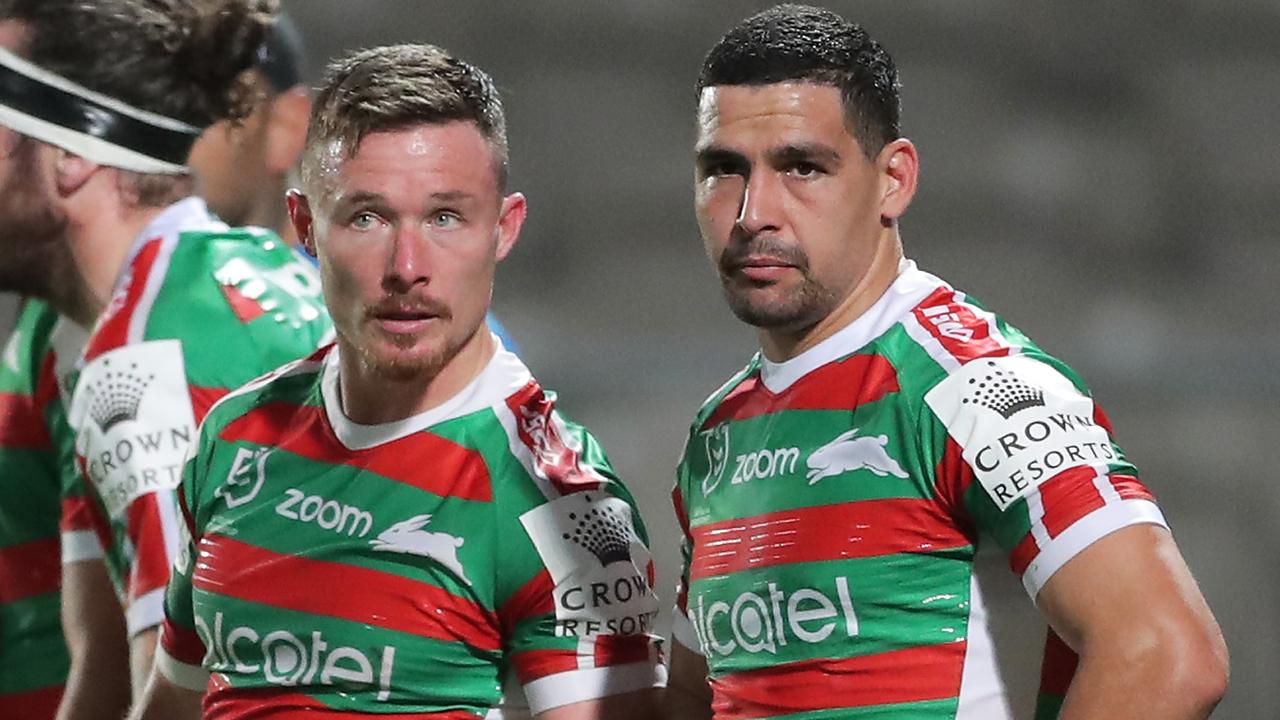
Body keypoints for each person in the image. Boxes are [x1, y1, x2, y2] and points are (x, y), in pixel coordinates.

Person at [664, 5, 1228, 720]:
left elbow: (1166, 655)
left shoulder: (975, 385)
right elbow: (696, 697)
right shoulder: (719, 429)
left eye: (802, 166)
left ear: (893, 180)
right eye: (722, 170)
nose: (751, 214)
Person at [131, 43, 664, 719]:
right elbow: (173, 704)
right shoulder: (233, 435)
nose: (407, 266)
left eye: (445, 217)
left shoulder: (564, 505)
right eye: (366, 217)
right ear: (305, 228)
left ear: (504, 229)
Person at [0, 1, 333, 716]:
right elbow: (105, 669)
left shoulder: (150, 356)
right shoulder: (187, 292)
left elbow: (200, 694)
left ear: (72, 158)